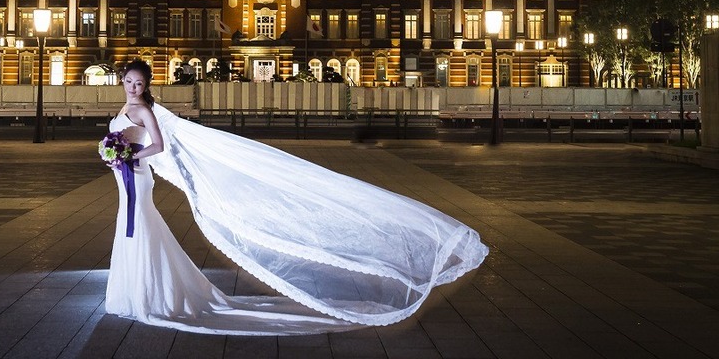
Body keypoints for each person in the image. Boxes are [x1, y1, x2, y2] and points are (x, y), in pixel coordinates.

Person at [104, 58, 488, 335]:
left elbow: (158, 144)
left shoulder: (143, 109)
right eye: (129, 81)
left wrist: (127, 154)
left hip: (136, 176)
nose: (133, 87)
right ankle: (141, 286)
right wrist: (113, 151)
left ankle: (147, 290)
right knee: (135, 228)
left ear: (146, 85)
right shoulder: (126, 105)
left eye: (139, 83)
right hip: (127, 175)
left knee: (138, 226)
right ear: (123, 80)